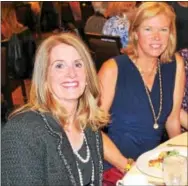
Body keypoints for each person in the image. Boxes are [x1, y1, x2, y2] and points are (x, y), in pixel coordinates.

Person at [1, 33, 131, 186]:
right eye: (59, 66)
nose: (71, 73)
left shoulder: (88, 127)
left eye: (78, 64)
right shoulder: (22, 132)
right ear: (44, 78)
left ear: (87, 76)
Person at [98, 2, 185, 170]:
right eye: (148, 29)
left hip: (153, 166)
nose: (157, 37)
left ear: (171, 34)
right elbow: (89, 128)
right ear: (135, 33)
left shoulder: (175, 65)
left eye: (163, 29)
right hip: (116, 166)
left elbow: (172, 120)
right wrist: (127, 166)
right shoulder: (113, 69)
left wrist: (181, 157)